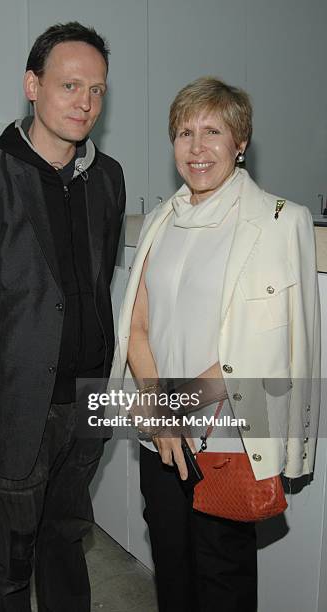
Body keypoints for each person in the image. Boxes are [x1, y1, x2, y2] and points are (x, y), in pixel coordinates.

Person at [0, 22, 125, 612]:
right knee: (9, 564)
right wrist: (6, 370)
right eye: (69, 85)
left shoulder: (107, 179)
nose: (85, 102)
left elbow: (95, 281)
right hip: (16, 411)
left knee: (67, 542)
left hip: (89, 400)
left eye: (97, 90)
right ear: (32, 86)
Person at [110, 77, 320, 611]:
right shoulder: (161, 222)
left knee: (223, 584)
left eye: (212, 131)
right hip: (160, 438)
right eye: (184, 132)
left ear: (240, 141)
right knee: (173, 579)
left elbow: (273, 348)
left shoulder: (279, 222)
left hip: (228, 439)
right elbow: (135, 327)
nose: (196, 147)